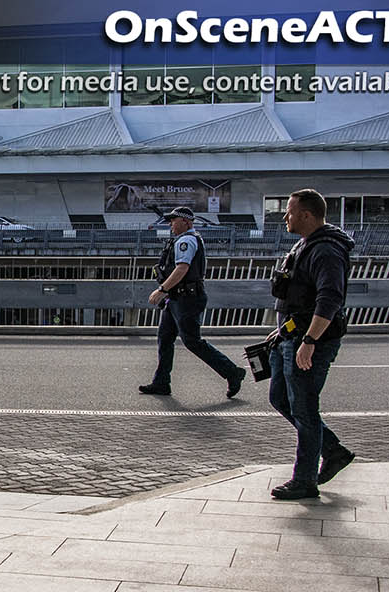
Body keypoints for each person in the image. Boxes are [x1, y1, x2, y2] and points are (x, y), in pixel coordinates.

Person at [265, 189, 358, 500]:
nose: (285, 217)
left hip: (309, 343)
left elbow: (329, 299)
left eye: (289, 212)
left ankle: (305, 480)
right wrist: (281, 333)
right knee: (280, 398)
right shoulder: (305, 245)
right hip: (290, 337)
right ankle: (333, 450)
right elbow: (297, 297)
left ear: (306, 215)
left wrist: (309, 340)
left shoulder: (327, 251)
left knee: (304, 409)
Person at [139, 206, 247, 398]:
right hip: (176, 299)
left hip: (187, 299)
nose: (171, 224)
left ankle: (232, 372)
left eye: (174, 220)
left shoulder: (187, 241)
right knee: (165, 338)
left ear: (186, 222)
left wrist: (162, 290)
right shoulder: (181, 240)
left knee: (192, 342)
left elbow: (182, 269)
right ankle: (161, 382)